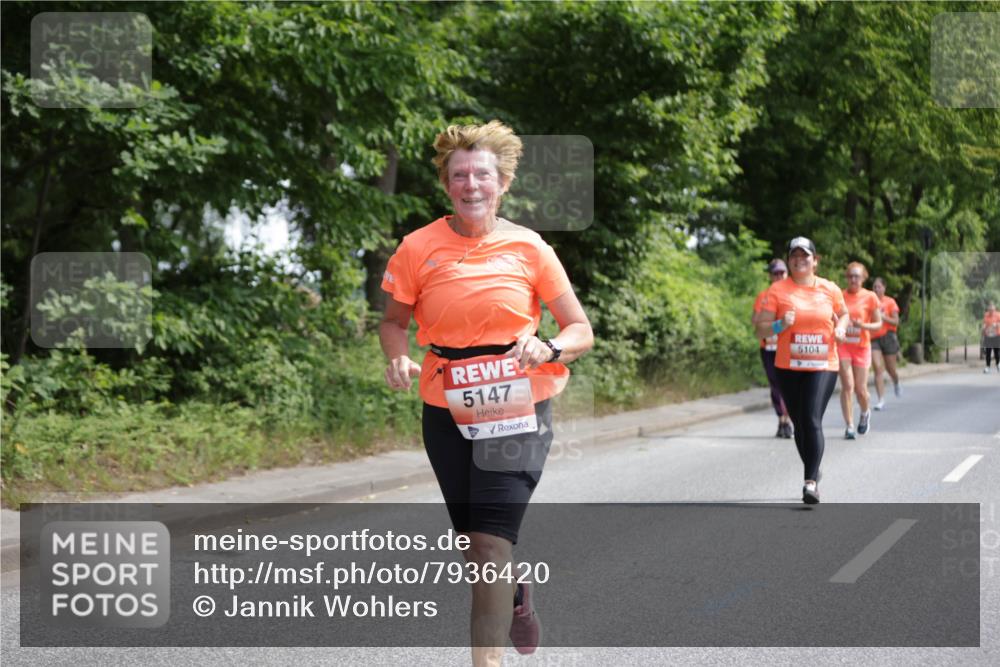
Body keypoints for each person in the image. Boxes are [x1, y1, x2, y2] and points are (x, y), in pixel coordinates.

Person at [379, 120, 593, 665]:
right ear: (447, 184)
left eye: (482, 175)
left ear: (502, 184)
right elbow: (393, 321)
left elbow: (580, 330)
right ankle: (517, 593)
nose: (471, 184)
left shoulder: (529, 247)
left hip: (517, 402)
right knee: (475, 547)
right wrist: (396, 354)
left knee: (492, 544)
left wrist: (548, 347)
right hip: (445, 404)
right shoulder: (418, 247)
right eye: (459, 175)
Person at [755, 237, 850, 504]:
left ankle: (809, 482)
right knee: (799, 425)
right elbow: (760, 329)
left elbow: (843, 313)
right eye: (794, 256)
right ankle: (813, 466)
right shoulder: (777, 291)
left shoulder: (829, 289)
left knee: (811, 418)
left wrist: (841, 328)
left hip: (823, 363)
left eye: (805, 255)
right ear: (788, 261)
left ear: (815, 261)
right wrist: (778, 326)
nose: (799, 260)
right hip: (788, 365)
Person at [837, 262, 881, 439]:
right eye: (850, 276)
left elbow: (878, 324)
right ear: (846, 278)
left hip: (862, 347)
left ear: (863, 278)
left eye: (857, 276)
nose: (853, 279)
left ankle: (865, 412)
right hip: (843, 346)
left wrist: (863, 325)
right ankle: (849, 425)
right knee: (847, 385)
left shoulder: (870, 297)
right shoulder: (839, 295)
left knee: (861, 390)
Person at [751, 259, 793, 438]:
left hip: (787, 346)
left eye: (782, 273)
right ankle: (781, 419)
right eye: (775, 273)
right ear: (770, 276)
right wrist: (769, 313)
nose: (779, 276)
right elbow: (755, 321)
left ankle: (788, 420)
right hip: (768, 346)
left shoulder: (792, 294)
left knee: (788, 386)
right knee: (775, 384)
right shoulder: (763, 296)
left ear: (787, 274)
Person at [870, 277, 902, 409]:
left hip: (888, 336)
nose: (877, 289)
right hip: (874, 337)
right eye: (875, 287)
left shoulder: (890, 302)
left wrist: (884, 317)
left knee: (890, 369)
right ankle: (880, 400)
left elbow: (896, 322)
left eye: (879, 287)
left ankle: (896, 381)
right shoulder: (870, 302)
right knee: (877, 368)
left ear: (884, 288)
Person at [983, 302, 1000, 373]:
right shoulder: (986, 315)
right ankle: (987, 367)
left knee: (997, 352)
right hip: (988, 335)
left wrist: (996, 324)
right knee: (988, 352)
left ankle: (998, 364)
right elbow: (985, 323)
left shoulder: (998, 315)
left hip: (996, 335)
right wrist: (983, 327)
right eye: (990, 310)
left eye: (992, 310)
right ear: (988, 309)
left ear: (994, 309)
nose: (991, 311)